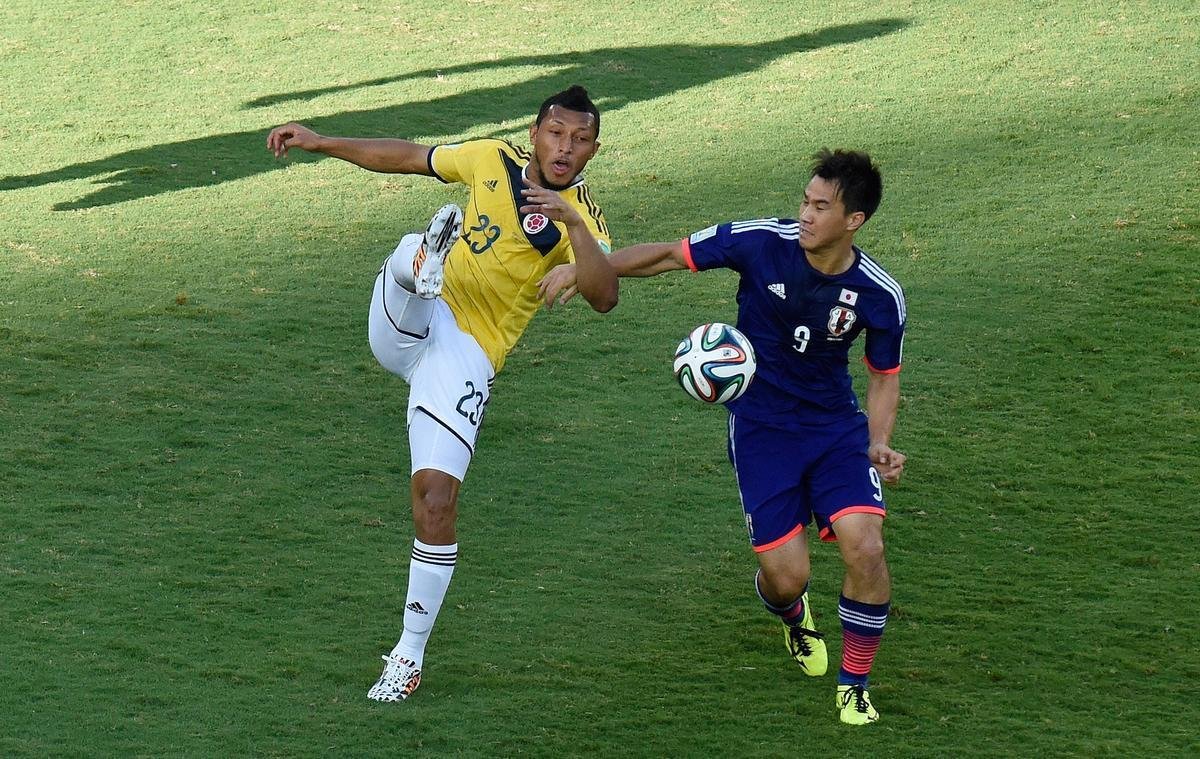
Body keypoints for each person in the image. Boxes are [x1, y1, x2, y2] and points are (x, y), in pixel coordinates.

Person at [267, 85, 618, 702]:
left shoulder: (581, 218)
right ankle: (421, 261)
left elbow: (605, 293)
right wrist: (323, 142)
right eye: (556, 134)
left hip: (465, 355)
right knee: (410, 257)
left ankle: (407, 654)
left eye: (580, 140)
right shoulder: (489, 159)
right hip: (411, 318)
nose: (566, 149)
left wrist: (574, 236)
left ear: (593, 148)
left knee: (435, 500)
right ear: (534, 133)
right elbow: (407, 156)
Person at [539, 148, 905, 725]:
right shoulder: (759, 242)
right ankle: (793, 618)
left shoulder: (879, 294)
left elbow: (884, 377)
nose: (804, 215)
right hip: (761, 431)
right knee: (787, 579)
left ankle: (853, 685)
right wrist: (590, 264)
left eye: (820, 207)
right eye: (804, 201)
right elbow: (666, 255)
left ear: (853, 220)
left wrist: (878, 441)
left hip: (835, 432)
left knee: (867, 545)